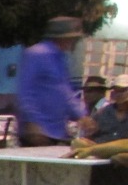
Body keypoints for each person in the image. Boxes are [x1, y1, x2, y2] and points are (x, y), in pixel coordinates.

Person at [15, 16, 85, 147]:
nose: (73, 42)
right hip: (37, 130)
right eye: (72, 38)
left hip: (57, 130)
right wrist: (32, 122)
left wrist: (81, 115)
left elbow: (65, 92)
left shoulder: (60, 57)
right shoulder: (36, 54)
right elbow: (25, 92)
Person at [72, 73, 128, 148]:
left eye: (123, 90)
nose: (119, 94)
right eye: (116, 90)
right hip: (99, 149)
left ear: (102, 92)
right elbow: (90, 132)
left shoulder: (102, 107)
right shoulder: (105, 112)